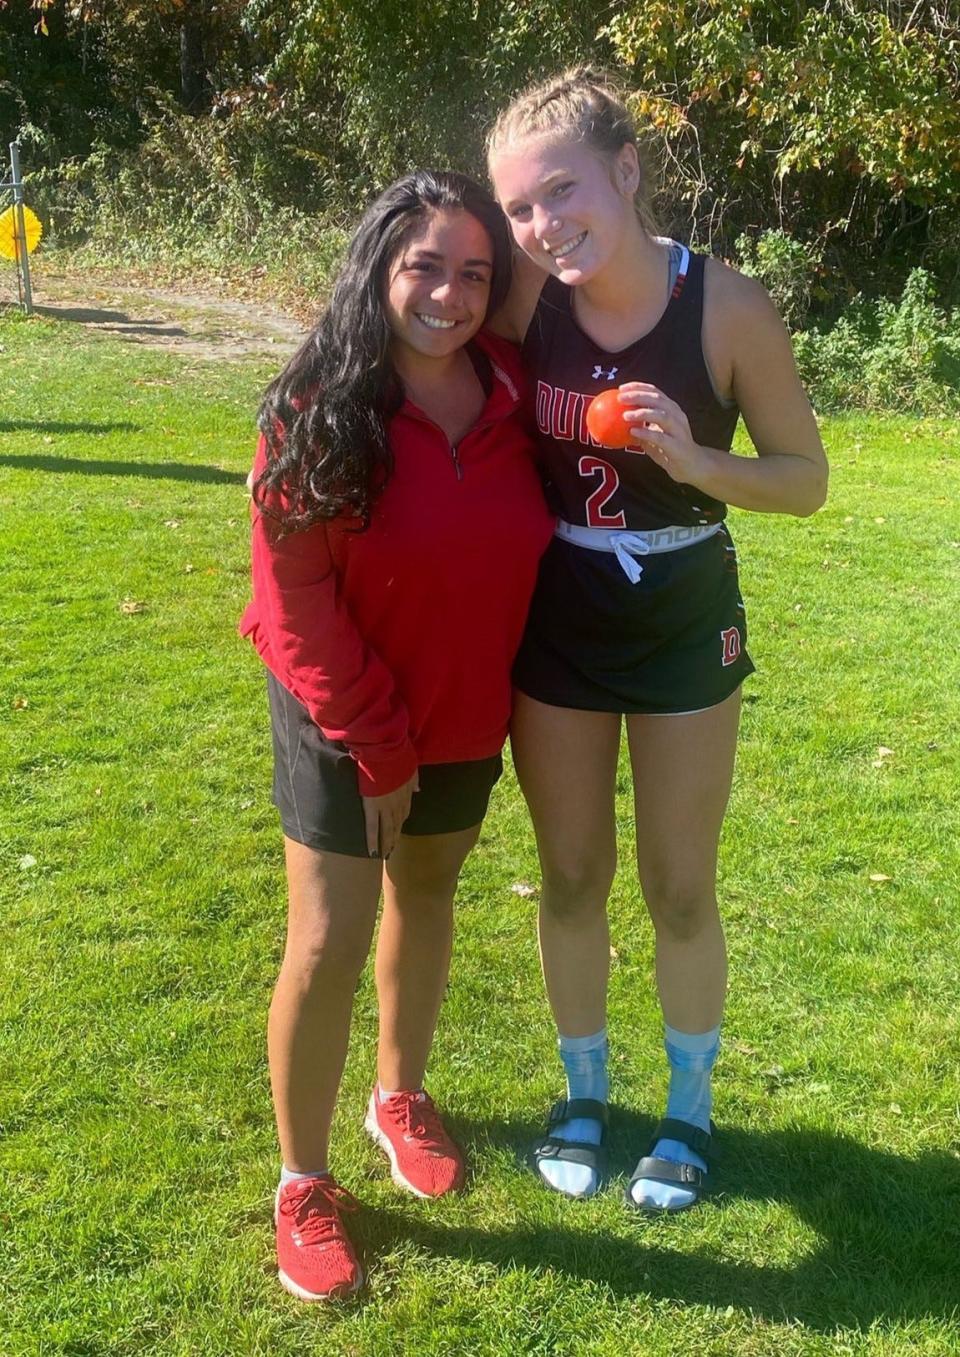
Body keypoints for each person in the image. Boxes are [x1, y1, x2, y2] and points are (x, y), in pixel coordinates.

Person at [486, 68, 828, 1211]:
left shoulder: (726, 307)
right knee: (570, 873)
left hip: (684, 609)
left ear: (627, 171)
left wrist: (694, 462)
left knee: (680, 884)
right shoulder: (525, 294)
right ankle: (584, 1092)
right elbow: (406, 331)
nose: (543, 225)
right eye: (521, 207)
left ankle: (688, 1110)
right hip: (562, 607)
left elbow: (805, 481)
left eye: (563, 191)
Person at [240, 169, 554, 1300]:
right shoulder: (311, 407)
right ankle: (303, 1181)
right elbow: (295, 604)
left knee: (427, 897)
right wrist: (377, 742)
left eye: (476, 272)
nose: (451, 294)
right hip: (342, 713)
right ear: (377, 266)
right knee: (326, 939)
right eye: (425, 265)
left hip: (466, 705)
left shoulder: (515, 387)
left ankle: (398, 1096)